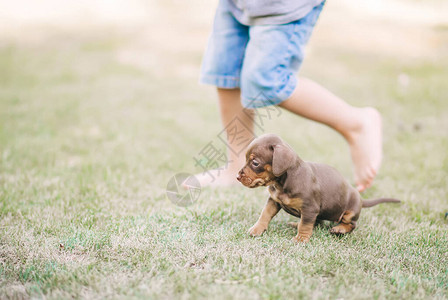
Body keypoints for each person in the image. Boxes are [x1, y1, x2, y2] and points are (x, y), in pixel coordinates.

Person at [194, 0, 382, 192]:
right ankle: (236, 164)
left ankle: (355, 123)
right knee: (226, 73)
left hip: (283, 7)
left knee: (268, 80)